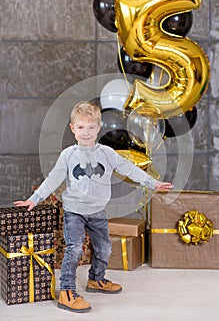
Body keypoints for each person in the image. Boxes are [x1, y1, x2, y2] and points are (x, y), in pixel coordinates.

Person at [14, 101, 173, 313]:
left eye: (91, 127)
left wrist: (153, 183)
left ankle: (96, 279)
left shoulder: (106, 153)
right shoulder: (69, 155)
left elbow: (130, 169)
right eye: (81, 127)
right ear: (73, 129)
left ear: (98, 128)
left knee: (105, 248)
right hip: (75, 211)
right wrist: (34, 198)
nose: (86, 132)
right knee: (74, 248)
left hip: (98, 211)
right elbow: (53, 179)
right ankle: (67, 291)